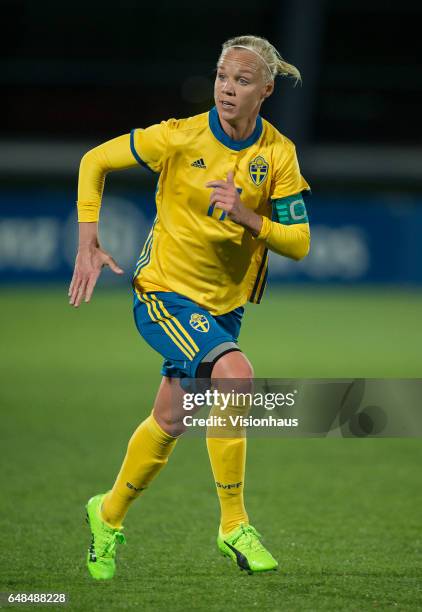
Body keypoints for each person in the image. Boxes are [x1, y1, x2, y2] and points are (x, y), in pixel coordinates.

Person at [69, 34, 311, 580]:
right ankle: (233, 525)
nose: (228, 88)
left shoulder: (278, 154)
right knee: (236, 375)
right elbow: (93, 161)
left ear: (266, 89)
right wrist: (88, 240)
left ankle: (105, 516)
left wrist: (248, 217)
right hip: (164, 294)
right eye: (223, 76)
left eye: (242, 81)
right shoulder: (178, 138)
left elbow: (298, 242)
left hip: (222, 307)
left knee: (172, 418)